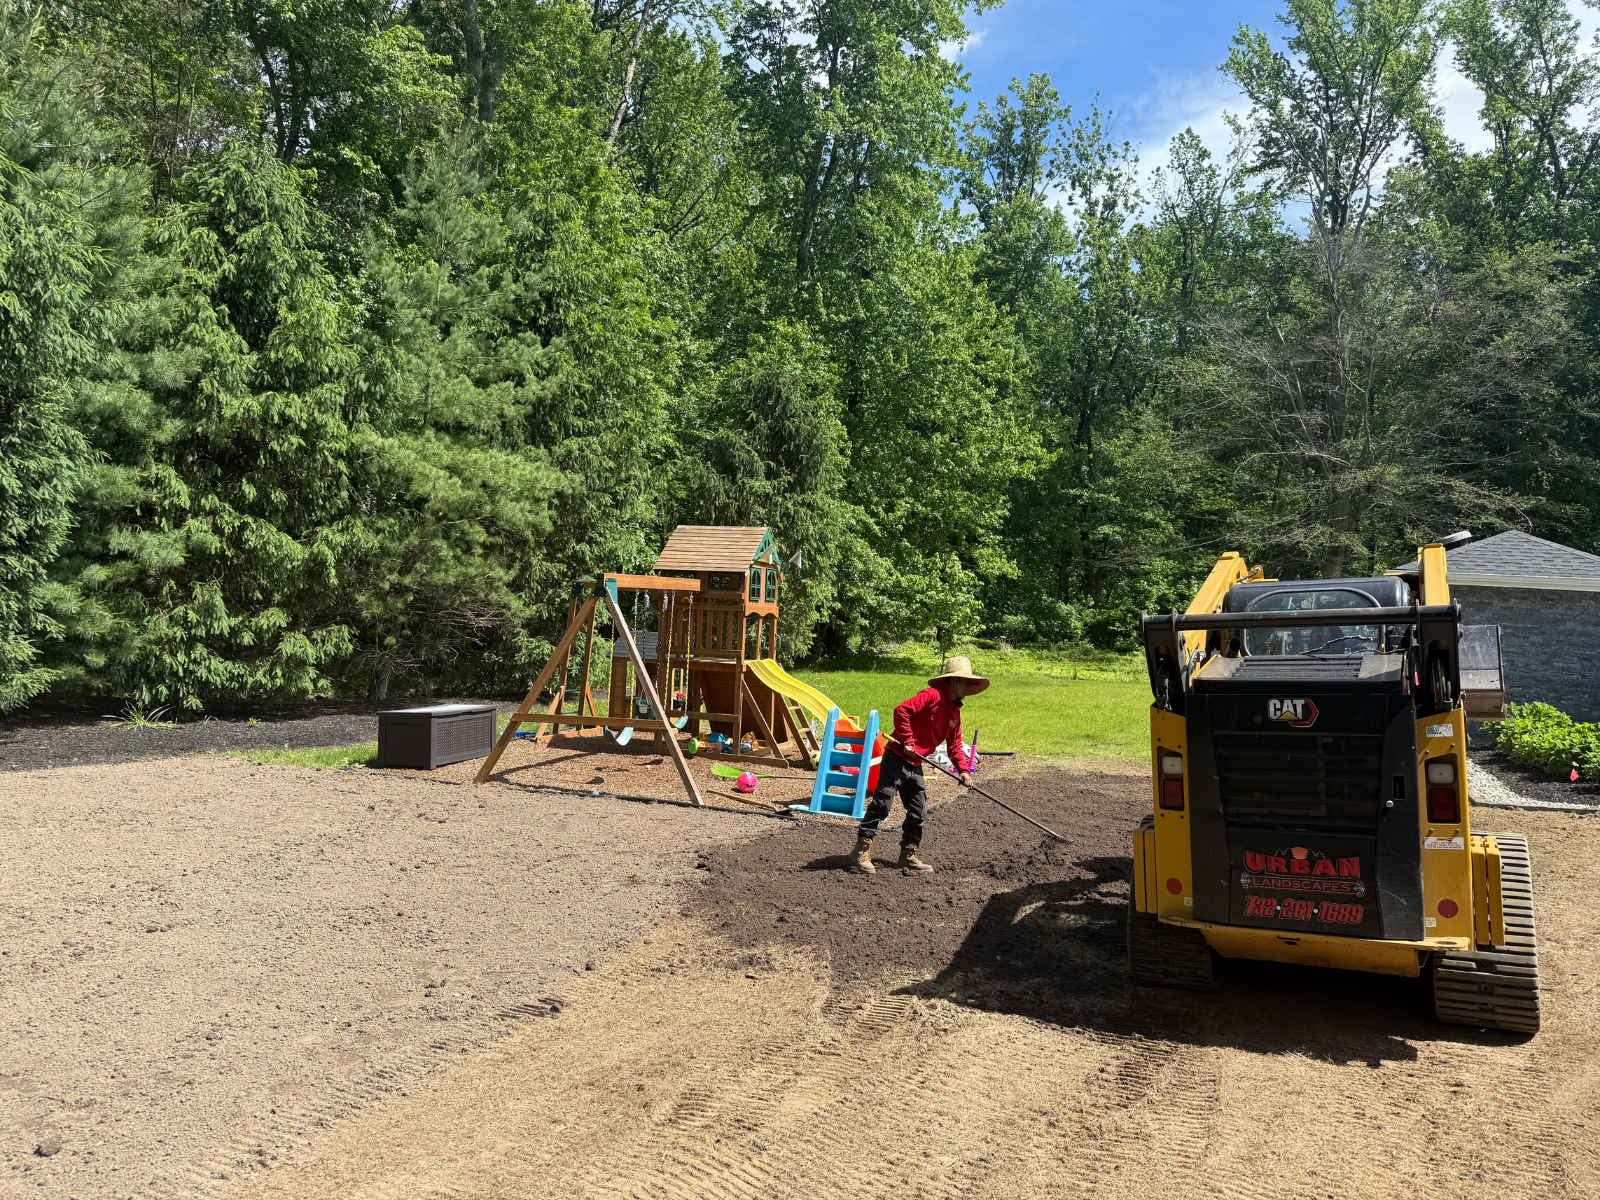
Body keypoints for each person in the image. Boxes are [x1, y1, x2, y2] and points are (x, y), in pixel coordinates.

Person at [848, 656, 989, 875]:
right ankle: (861, 851)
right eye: (966, 681)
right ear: (953, 681)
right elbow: (901, 710)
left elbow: (954, 745)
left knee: (918, 808)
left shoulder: (955, 712)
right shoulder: (932, 696)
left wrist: (963, 769)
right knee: (882, 804)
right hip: (897, 756)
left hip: (915, 762)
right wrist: (908, 741)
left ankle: (908, 855)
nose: (969, 687)